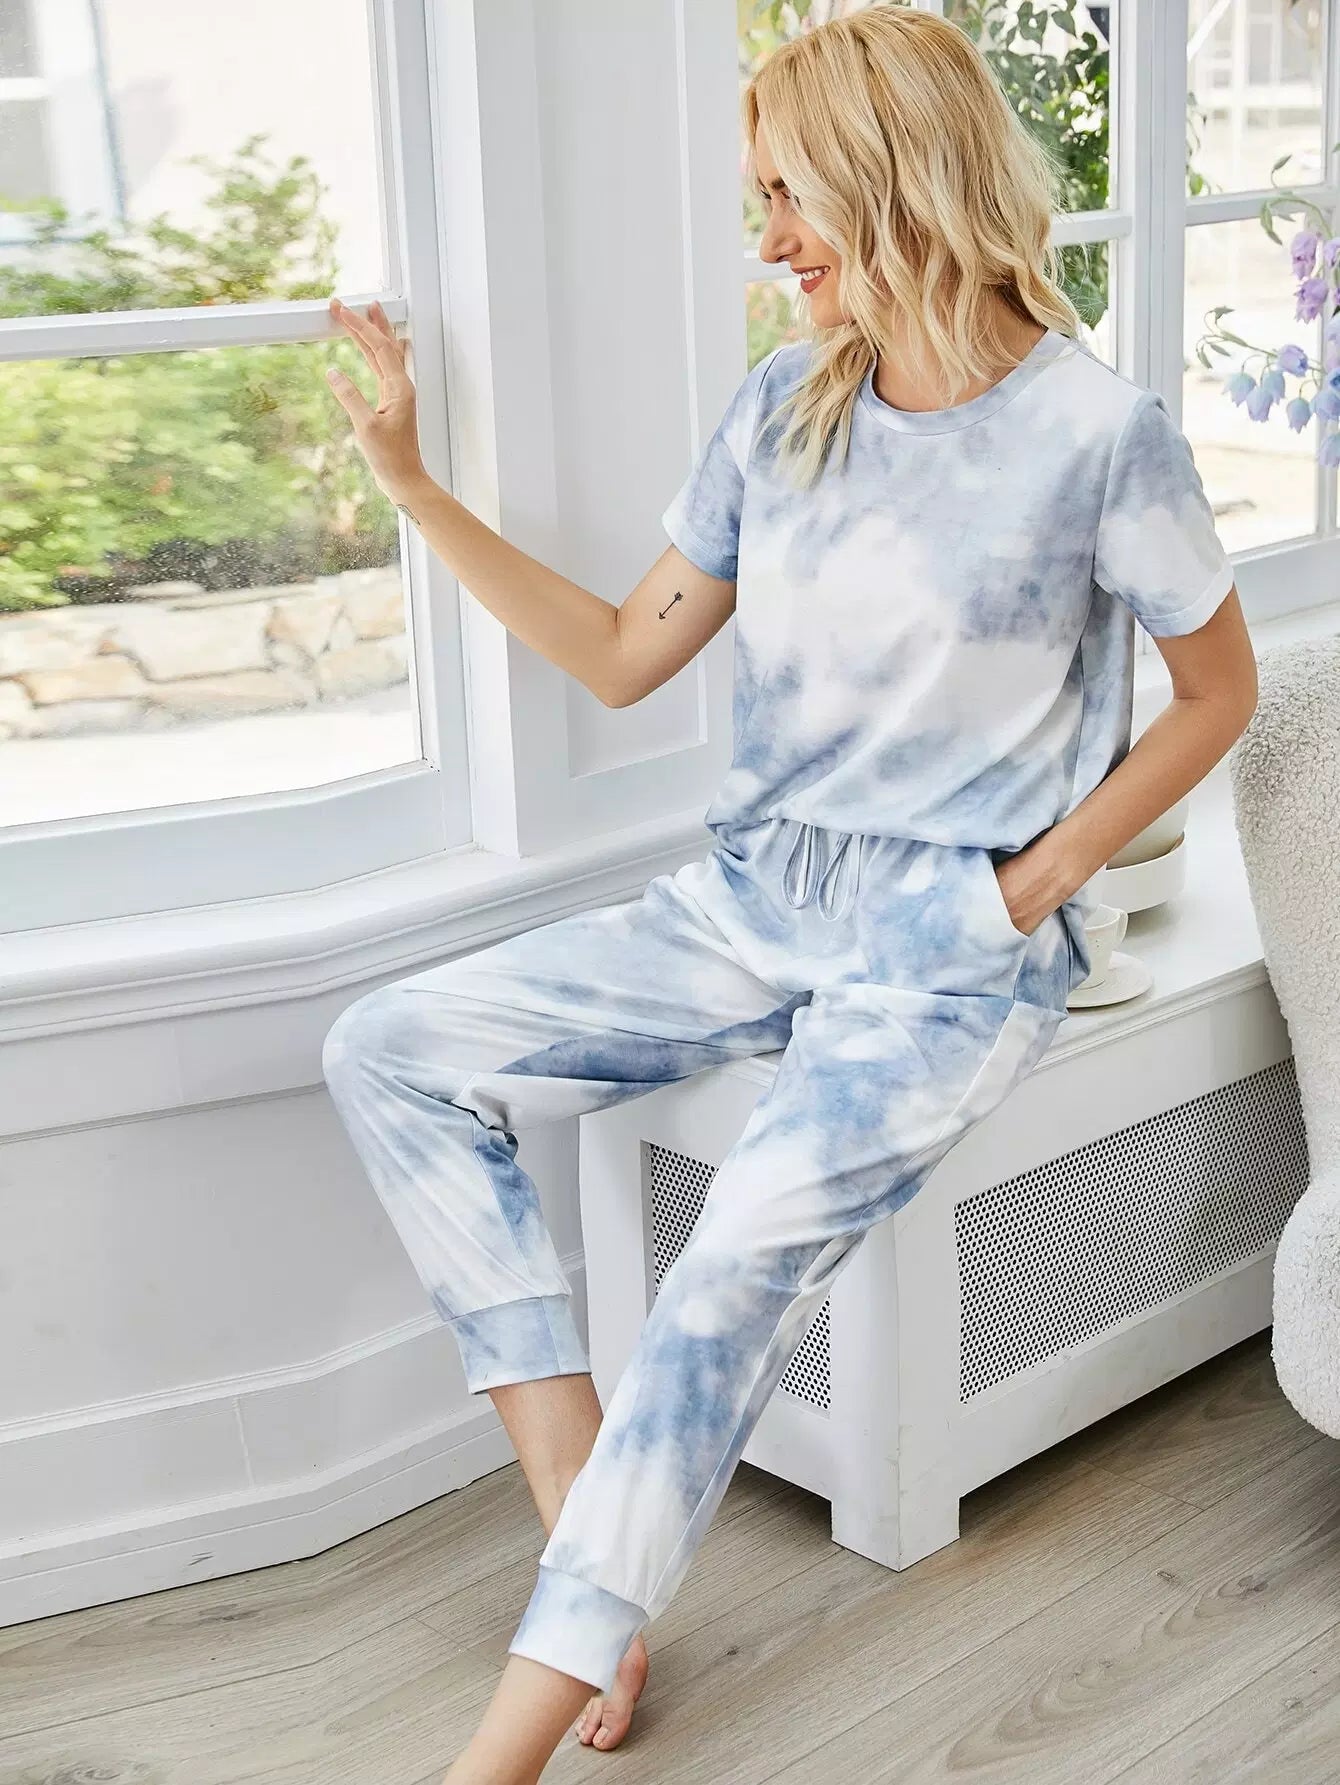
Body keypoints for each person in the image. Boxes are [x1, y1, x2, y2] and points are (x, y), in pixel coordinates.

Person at [320, 9, 1258, 1780]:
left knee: (722, 1273)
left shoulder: (1096, 432)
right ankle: (581, 1525)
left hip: (945, 952)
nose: (768, 240)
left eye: (787, 196)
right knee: (387, 1045)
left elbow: (1219, 694)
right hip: (753, 899)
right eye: (759, 199)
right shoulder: (785, 409)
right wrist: (410, 485)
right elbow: (623, 654)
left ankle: (493, 1757)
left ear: (892, 175)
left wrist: (1032, 886)